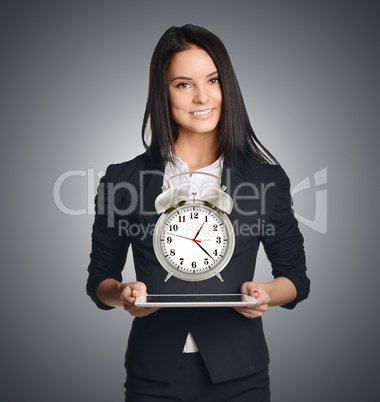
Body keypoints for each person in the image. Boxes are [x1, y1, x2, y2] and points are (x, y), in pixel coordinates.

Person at [86, 24, 310, 402]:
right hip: (154, 374)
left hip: (241, 373)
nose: (202, 97)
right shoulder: (122, 180)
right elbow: (99, 281)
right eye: (183, 84)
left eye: (213, 80)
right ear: (163, 92)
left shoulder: (266, 179)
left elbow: (295, 280)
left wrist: (265, 294)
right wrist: (123, 293)